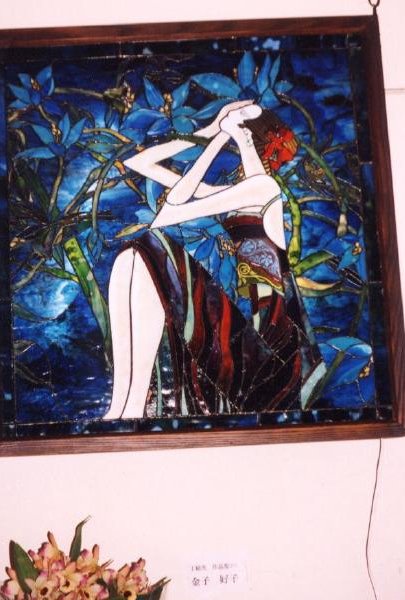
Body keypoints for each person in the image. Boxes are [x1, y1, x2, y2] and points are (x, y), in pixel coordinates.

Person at [104, 100, 325, 419]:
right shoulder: (245, 193)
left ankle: (131, 406)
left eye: (243, 130)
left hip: (272, 356)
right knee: (135, 255)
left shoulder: (265, 189)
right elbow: (140, 163)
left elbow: (169, 215)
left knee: (148, 248)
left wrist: (228, 133)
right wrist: (211, 132)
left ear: (251, 140)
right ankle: (123, 406)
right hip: (245, 339)